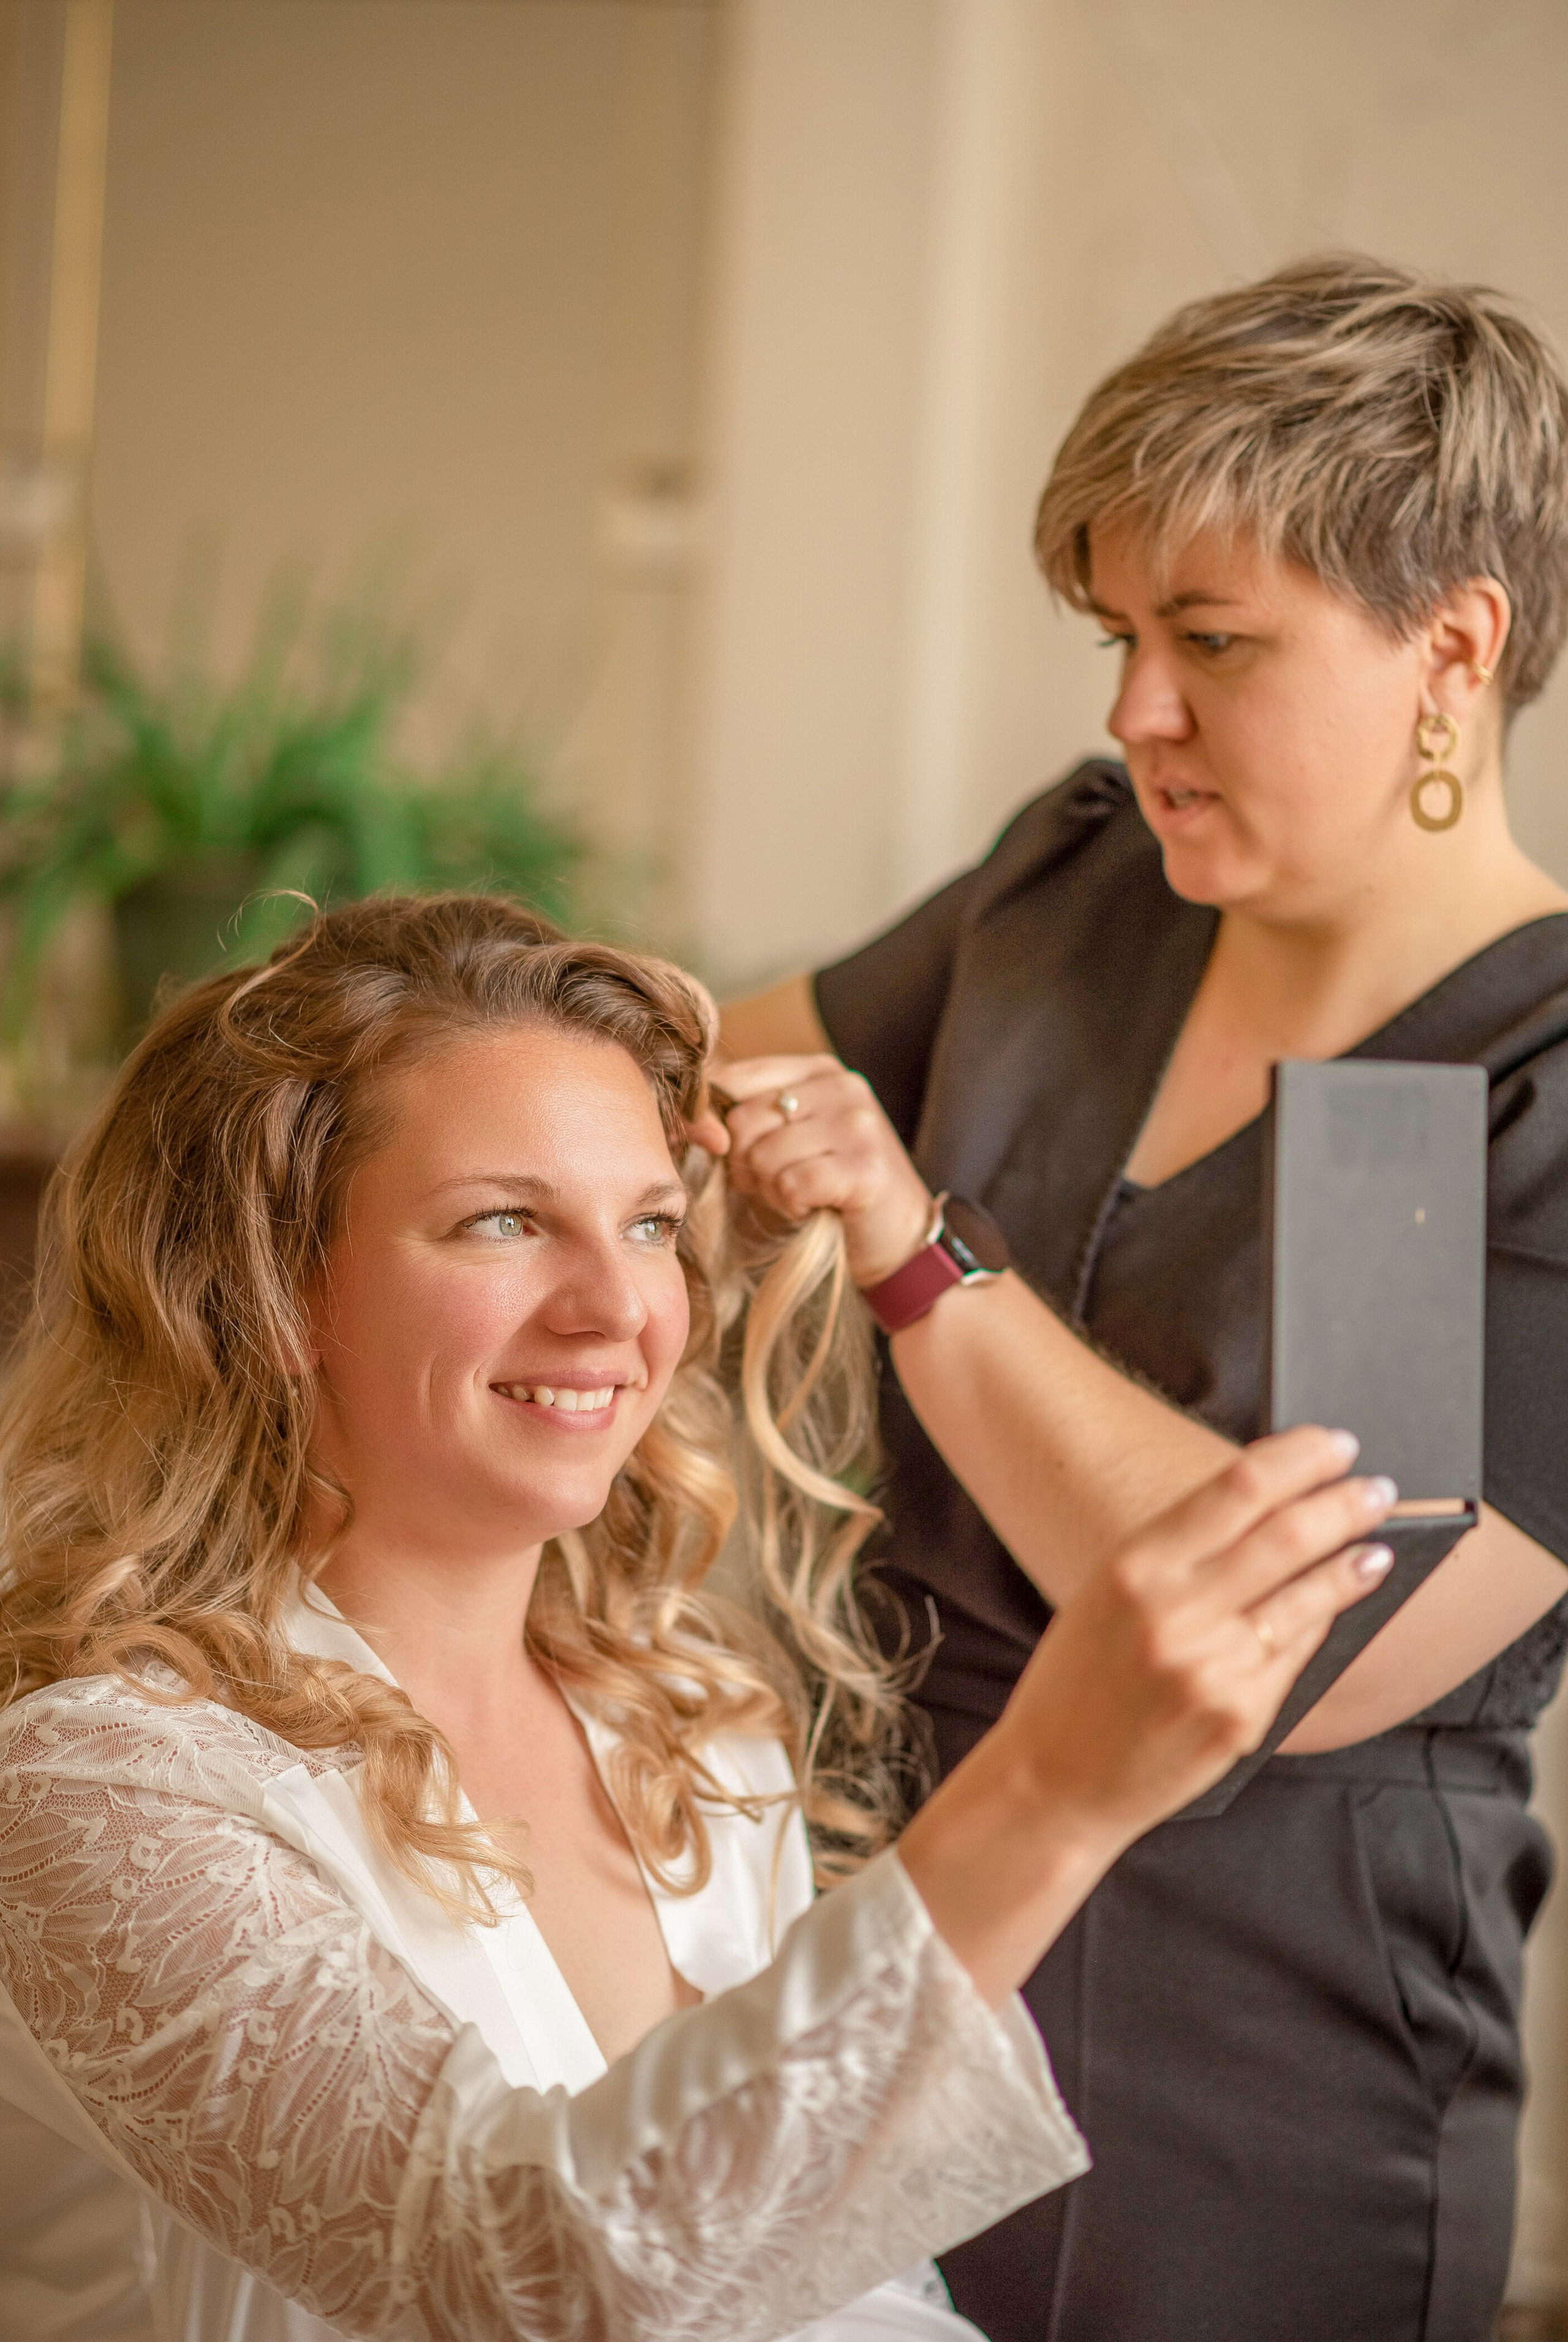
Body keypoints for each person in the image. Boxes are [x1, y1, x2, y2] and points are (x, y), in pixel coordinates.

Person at [0, 893, 1392, 2342]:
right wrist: (1048, 1795)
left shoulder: (688, 1735)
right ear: (267, 1292)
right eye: (503, 1220)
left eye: (651, 1223)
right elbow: (515, 2274)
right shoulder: (99, 1788)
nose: (616, 1306)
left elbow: (825, 2294)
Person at [718, 254, 1568, 2342]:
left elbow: (1286, 1636)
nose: (1134, 714)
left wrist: (918, 1251)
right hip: (878, 1961)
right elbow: (705, 1085)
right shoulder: (1082, 882)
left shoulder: (1513, 1076)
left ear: (1454, 646)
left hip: (1252, 2071)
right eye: (1120, 638)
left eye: (1214, 642)